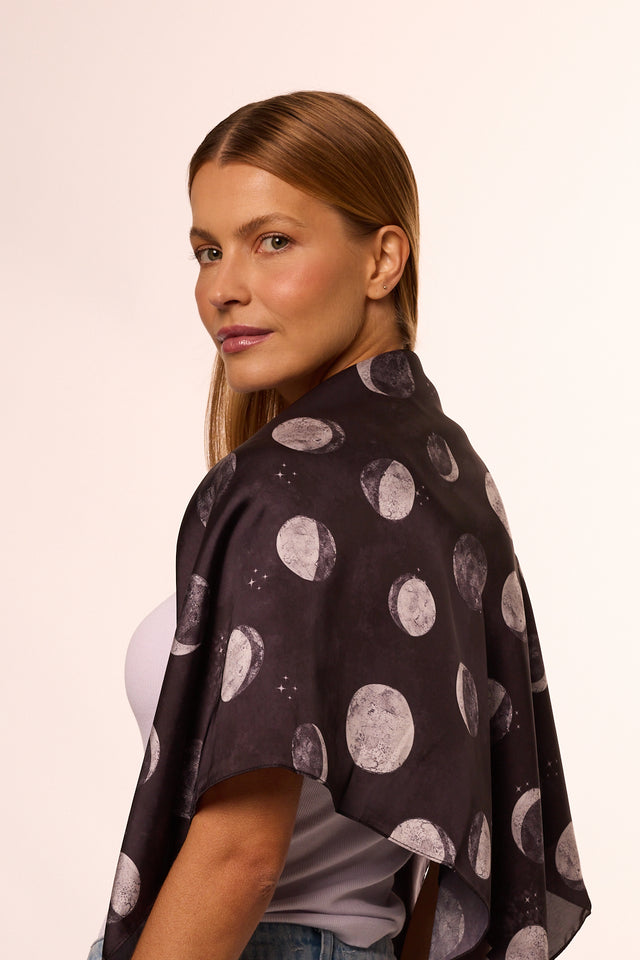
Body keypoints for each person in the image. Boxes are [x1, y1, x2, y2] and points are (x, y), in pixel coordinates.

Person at [92, 91, 591, 960]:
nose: (223, 288)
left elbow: (241, 856)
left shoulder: (292, 486)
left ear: (383, 259)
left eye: (272, 241)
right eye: (208, 250)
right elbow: (440, 831)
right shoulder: (446, 473)